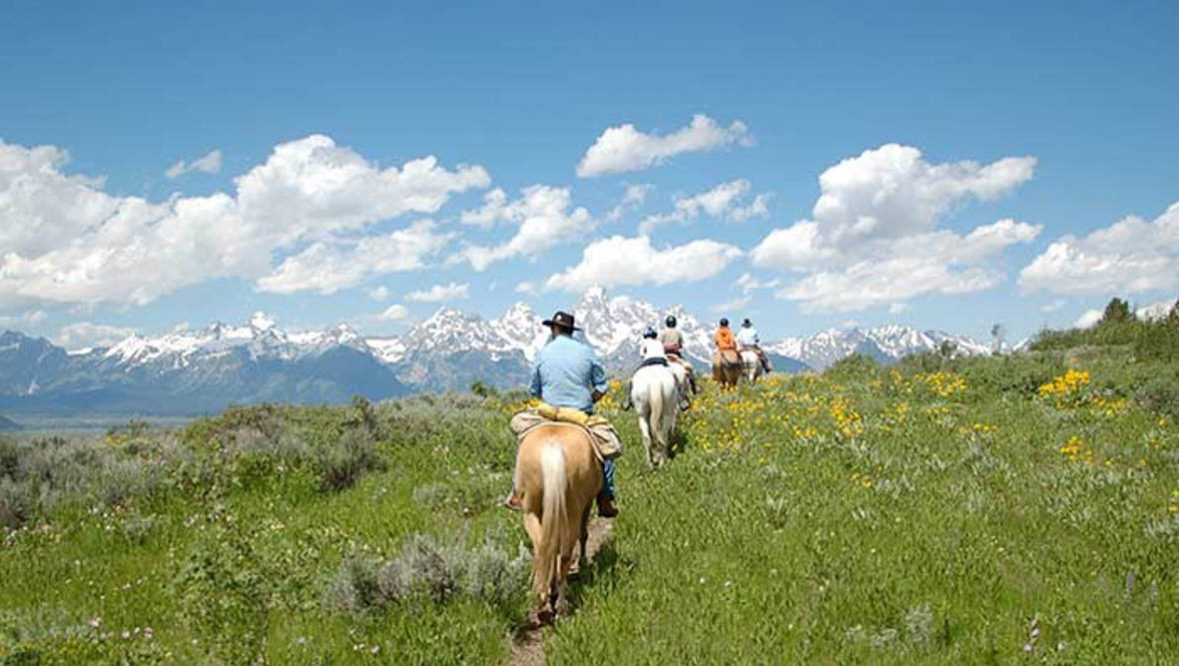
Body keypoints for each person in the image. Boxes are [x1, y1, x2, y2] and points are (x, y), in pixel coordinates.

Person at [505, 310, 619, 517]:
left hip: (549, 413)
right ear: (571, 331)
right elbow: (602, 386)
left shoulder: (543, 353)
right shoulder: (587, 352)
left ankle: (517, 492)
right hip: (579, 414)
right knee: (605, 449)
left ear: (555, 329)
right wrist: (589, 398)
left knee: (524, 441)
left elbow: (533, 389)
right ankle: (606, 497)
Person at [621, 327, 669, 411]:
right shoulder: (659, 342)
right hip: (662, 361)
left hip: (649, 361)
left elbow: (642, 354)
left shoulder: (645, 342)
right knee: (674, 377)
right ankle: (681, 397)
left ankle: (627, 400)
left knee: (632, 379)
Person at [660, 315, 698, 395]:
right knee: (689, 368)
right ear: (675, 323)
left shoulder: (662, 333)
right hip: (675, 355)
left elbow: (659, 343)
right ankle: (694, 388)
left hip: (664, 355)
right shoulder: (678, 333)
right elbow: (680, 345)